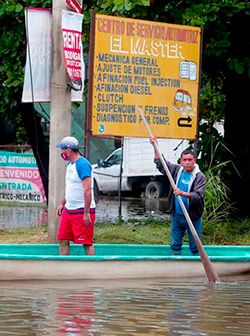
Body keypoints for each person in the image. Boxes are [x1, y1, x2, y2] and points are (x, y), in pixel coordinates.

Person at [150, 137, 206, 255]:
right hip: (177, 216)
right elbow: (162, 164)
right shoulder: (177, 171)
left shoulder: (199, 176)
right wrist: (155, 146)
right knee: (175, 245)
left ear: (194, 161)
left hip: (192, 217)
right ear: (181, 161)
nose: (187, 162)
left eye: (189, 160)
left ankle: (197, 266)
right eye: (184, 160)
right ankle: (176, 263)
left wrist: (182, 193)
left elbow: (198, 196)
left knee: (196, 246)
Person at [56, 136, 96, 255]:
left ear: (68, 150)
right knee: (63, 239)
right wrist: (62, 203)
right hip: (69, 210)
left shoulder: (82, 164)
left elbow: (87, 189)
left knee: (87, 242)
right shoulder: (70, 165)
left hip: (81, 210)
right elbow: (70, 187)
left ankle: (92, 268)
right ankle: (64, 266)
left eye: (62, 149)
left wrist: (86, 212)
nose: (61, 152)